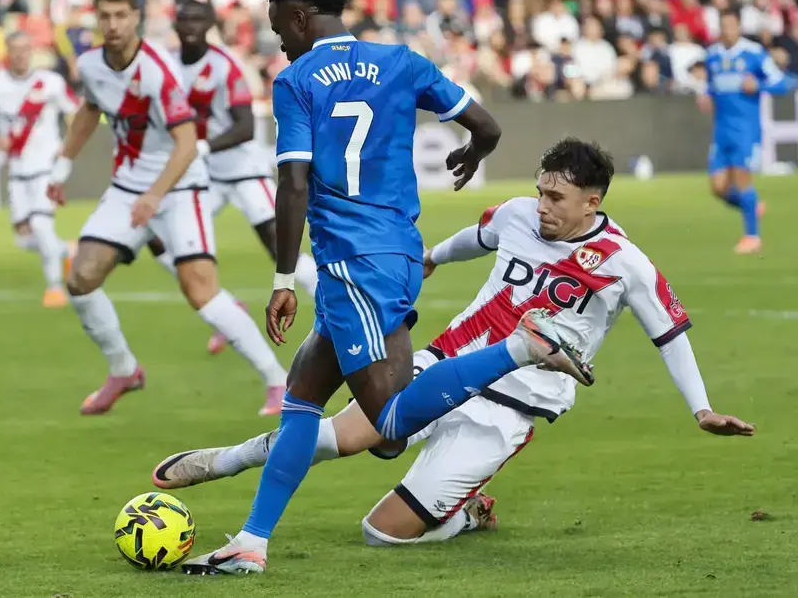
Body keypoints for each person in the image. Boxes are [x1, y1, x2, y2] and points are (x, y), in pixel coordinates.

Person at [181, 0, 592, 576]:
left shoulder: (297, 82)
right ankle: (250, 542)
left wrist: (283, 278)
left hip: (353, 264)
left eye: (279, 28)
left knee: (392, 428)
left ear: (299, 16)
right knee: (302, 396)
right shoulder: (401, 61)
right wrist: (471, 153)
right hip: (398, 253)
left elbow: (293, 184)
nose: (280, 42)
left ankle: (521, 347)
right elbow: (487, 126)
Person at [156, 138, 756, 547]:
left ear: (592, 203)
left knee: (381, 534)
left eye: (556, 199)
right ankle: (227, 460)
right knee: (345, 435)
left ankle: (466, 512)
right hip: (444, 361)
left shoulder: (625, 264)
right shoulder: (519, 215)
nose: (542, 206)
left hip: (511, 408)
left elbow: (670, 334)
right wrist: (434, 257)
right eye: (541, 192)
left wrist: (701, 408)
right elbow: (478, 235)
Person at [45, 0, 289, 417]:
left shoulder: (159, 70)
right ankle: (124, 370)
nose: (113, 25)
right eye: (105, 16)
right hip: (129, 187)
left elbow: (187, 143)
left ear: (136, 17)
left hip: (179, 187)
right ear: (96, 19)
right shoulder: (92, 66)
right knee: (80, 279)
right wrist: (62, 167)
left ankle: (278, 380)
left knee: (201, 292)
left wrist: (155, 196)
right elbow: (89, 110)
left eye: (121, 16)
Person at [147, 0, 319, 356]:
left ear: (209, 24)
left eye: (198, 19)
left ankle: (332, 300)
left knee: (278, 248)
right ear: (175, 25)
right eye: (184, 19)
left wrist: (201, 147)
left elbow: (245, 127)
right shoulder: (168, 64)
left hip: (242, 171)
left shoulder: (225, 65)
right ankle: (226, 310)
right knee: (159, 239)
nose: (191, 26)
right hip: (203, 175)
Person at [0, 32, 77, 308]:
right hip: (17, 170)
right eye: (14, 49)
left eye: (24, 49)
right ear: (7, 51)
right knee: (24, 239)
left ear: (31, 51)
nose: (20, 55)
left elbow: (75, 112)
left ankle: (55, 288)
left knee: (42, 225)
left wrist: (67, 147)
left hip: (46, 167)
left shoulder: (50, 82)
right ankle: (67, 250)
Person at [697, 7, 794, 254]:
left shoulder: (754, 53)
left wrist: (758, 85)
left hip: (745, 131)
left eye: (732, 26)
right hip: (721, 131)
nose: (727, 30)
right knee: (718, 188)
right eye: (724, 26)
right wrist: (706, 96)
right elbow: (711, 85)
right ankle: (752, 206)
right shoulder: (713, 56)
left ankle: (752, 237)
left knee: (742, 181)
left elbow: (784, 83)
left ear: (739, 27)